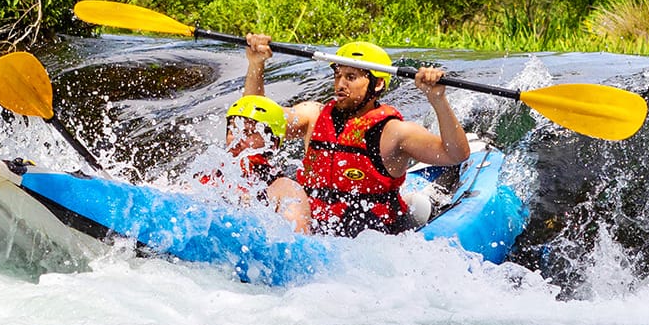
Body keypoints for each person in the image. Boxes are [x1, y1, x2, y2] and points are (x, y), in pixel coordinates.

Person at [242, 33, 472, 236]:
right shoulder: (313, 115)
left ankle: (423, 203)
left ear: (378, 84)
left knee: (412, 209)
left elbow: (456, 154)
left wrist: (437, 99)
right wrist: (256, 64)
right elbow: (256, 121)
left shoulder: (394, 132)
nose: (340, 84)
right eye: (338, 75)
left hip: (368, 232)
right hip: (310, 223)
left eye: (351, 77)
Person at [200, 94, 311, 228]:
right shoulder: (210, 176)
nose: (236, 141)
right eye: (232, 130)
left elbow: (297, 238)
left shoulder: (285, 190)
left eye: (248, 133)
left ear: (272, 143)